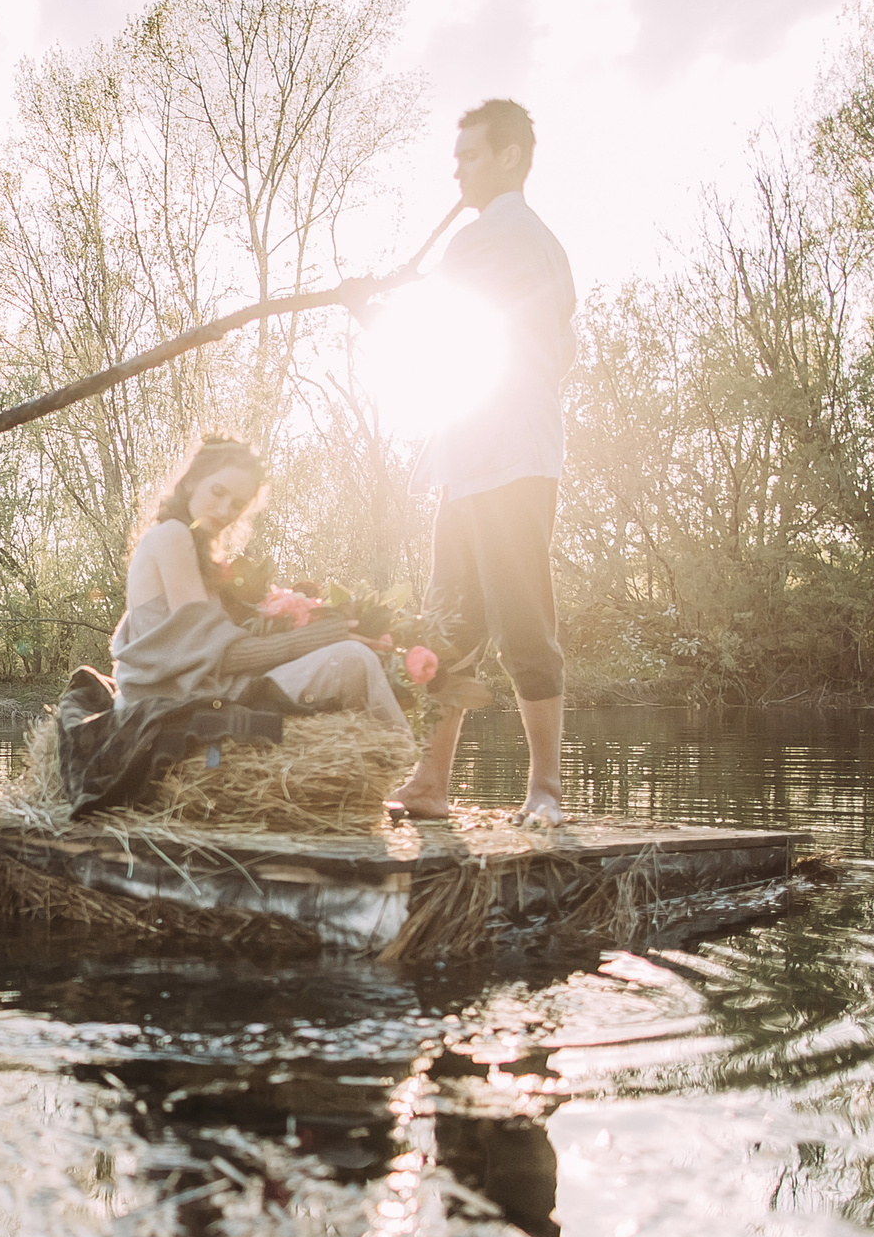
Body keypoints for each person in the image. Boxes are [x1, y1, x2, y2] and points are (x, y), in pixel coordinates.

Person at [384, 98, 578, 825]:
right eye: (457, 156)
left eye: (470, 155)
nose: (457, 170)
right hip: (468, 462)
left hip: (511, 462)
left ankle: (545, 789)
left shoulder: (506, 237)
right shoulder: (527, 244)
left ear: (511, 157)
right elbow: (560, 350)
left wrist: (372, 305)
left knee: (523, 621)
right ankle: (430, 781)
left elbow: (433, 328)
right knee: (448, 625)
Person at [110, 436, 407, 731]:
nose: (224, 510)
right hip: (177, 701)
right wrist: (318, 637)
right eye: (218, 492)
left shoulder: (187, 543)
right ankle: (406, 754)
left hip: (194, 693)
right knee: (354, 660)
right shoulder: (173, 535)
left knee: (352, 658)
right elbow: (212, 654)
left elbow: (210, 648)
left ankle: (389, 752)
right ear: (192, 481)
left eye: (237, 504)